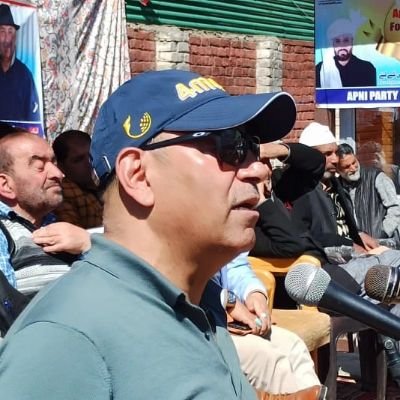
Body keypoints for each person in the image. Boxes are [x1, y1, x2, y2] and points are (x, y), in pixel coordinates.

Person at [0, 69, 297, 399]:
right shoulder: (66, 340)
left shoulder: (200, 303)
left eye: (251, 147)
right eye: (229, 146)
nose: (257, 168)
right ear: (138, 175)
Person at [217, 253, 325, 399]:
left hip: (223, 321)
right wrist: (229, 301)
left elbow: (234, 265)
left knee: (292, 345)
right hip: (197, 329)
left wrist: (253, 292)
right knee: (267, 359)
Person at [0, 130, 90, 296]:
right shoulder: (4, 234)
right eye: (39, 167)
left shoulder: (62, 226)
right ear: (6, 185)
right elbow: (6, 307)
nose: (58, 174)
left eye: (54, 163)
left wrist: (88, 245)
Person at [337, 143, 400, 245]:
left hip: (382, 243)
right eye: (347, 167)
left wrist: (383, 232)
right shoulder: (337, 186)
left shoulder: (376, 177)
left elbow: (395, 207)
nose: (353, 168)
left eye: (354, 162)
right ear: (338, 170)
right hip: (356, 246)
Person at [52, 130, 103, 228]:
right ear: (61, 167)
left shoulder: (108, 180)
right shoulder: (64, 193)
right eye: (78, 160)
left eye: (91, 156)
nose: (89, 163)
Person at [0, 4, 40, 122]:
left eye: (10, 32)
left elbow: (33, 120)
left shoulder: (25, 75)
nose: (7, 39)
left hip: (16, 133)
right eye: (2, 31)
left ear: (15, 38)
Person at [316, 18, 376, 88]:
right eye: (337, 41)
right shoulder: (320, 69)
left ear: (352, 41)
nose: (342, 46)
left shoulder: (367, 68)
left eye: (346, 40)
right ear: (332, 44)